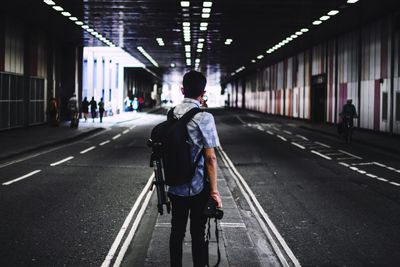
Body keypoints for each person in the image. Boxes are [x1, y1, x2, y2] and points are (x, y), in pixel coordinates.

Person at [168, 70, 222, 267]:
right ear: (203, 92)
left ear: (182, 90)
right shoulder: (205, 118)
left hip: (175, 185)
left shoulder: (171, 114)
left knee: (176, 232)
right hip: (198, 186)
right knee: (198, 233)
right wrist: (215, 191)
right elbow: (210, 157)